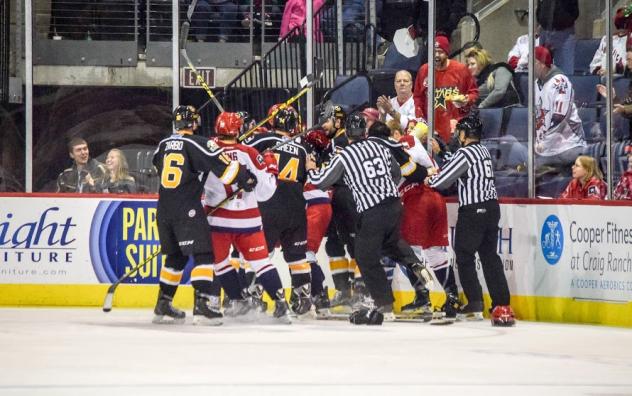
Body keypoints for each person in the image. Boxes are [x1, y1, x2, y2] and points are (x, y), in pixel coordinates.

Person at [307, 113, 433, 325]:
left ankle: (384, 304)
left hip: (372, 210)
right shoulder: (380, 147)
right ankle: (414, 265)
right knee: (390, 244)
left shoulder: (344, 155)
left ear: (347, 133)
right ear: (364, 132)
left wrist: (311, 169)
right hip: (394, 205)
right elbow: (395, 172)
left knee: (365, 257)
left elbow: (321, 181)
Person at [151, 105, 256, 325]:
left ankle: (163, 303)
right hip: (186, 208)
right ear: (194, 123)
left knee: (176, 257)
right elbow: (227, 171)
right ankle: (202, 305)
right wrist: (246, 178)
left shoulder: (162, 145)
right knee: (205, 255)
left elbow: (157, 165)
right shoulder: (197, 143)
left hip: (163, 209)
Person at [427, 114, 516, 327]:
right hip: (491, 208)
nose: (458, 136)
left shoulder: (465, 153)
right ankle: (501, 304)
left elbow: (442, 180)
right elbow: (461, 168)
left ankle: (475, 302)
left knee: (464, 255)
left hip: (473, 209)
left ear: (465, 134)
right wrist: (446, 153)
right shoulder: (483, 151)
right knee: (489, 256)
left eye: (460, 133)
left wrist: (429, 178)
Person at [204, 112, 291, 323]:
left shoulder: (207, 152)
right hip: (248, 219)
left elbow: (198, 183)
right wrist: (271, 167)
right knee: (261, 263)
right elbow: (266, 191)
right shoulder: (249, 153)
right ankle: (281, 304)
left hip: (218, 219)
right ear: (238, 131)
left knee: (220, 263)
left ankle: (236, 300)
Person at [242, 104, 313, 316]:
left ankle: (254, 296)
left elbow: (241, 149)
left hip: (269, 206)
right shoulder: (301, 148)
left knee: (260, 255)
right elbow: (304, 178)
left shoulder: (265, 139)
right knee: (297, 255)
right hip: (296, 207)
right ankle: (303, 297)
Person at [413, 35, 479, 143]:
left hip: (455, 127)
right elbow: (417, 97)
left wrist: (466, 100)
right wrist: (420, 117)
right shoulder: (424, 70)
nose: (437, 55)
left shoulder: (461, 69)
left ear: (447, 53)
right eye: (434, 52)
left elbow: (474, 93)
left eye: (440, 52)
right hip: (431, 128)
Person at [534, 46, 586, 173]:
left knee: (530, 168)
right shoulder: (536, 83)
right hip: (547, 148)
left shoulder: (560, 82)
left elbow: (559, 118)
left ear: (540, 64)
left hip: (568, 146)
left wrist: (543, 145)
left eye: (532, 63)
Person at [536, 0, 579, 76]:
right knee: (541, 70)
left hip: (565, 32)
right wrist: (540, 19)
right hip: (545, 31)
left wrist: (564, 20)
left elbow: (574, 10)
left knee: (565, 73)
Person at [590, 8, 632, 76]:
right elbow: (594, 64)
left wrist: (612, 70)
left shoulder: (630, 38)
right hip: (603, 77)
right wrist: (599, 70)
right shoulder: (607, 39)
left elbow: (630, 66)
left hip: (622, 79)